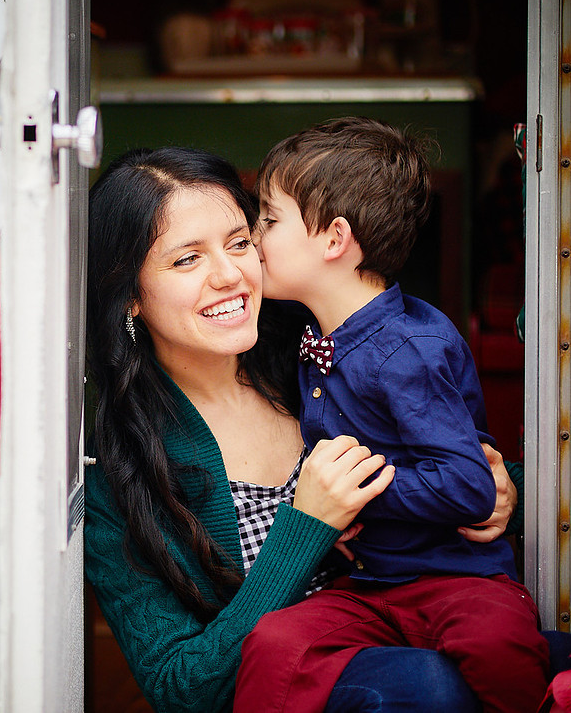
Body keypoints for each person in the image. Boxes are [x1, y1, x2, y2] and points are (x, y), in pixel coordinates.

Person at [84, 145, 521, 713]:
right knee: (423, 685)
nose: (229, 275)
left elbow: (448, 458)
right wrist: (307, 526)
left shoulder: (319, 355)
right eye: (186, 259)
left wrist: (502, 487)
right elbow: (180, 688)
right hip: (300, 686)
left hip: (423, 621)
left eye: (240, 242)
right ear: (131, 296)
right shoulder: (120, 468)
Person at [233, 117, 548, 713]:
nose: (254, 236)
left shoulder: (405, 352)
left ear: (334, 239)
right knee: (276, 642)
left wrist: (355, 496)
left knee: (500, 643)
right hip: (373, 586)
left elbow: (468, 486)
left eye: (269, 220)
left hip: (458, 581)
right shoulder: (318, 339)